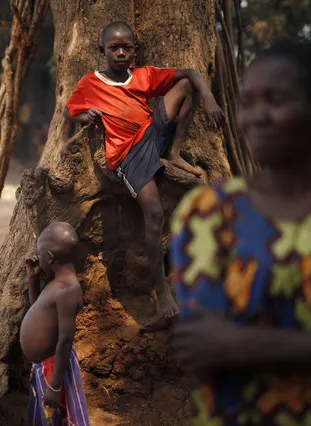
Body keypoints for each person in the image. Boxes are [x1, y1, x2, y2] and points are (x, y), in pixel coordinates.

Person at [168, 39, 311, 424]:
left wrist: (245, 346)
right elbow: (203, 343)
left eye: (276, 100)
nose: (257, 116)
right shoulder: (207, 212)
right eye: (249, 101)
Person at [64, 21, 224, 331]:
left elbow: (190, 74)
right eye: (114, 48)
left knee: (186, 86)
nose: (121, 53)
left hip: (152, 135)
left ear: (135, 51)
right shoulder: (91, 83)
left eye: (127, 47)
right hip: (127, 155)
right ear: (103, 51)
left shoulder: (143, 76)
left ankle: (175, 152)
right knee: (154, 214)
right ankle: (161, 292)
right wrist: (88, 115)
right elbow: (71, 111)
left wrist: (209, 99)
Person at [20, 222, 90, 426]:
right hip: (44, 369)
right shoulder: (56, 283)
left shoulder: (67, 290)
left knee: (58, 418)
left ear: (49, 257)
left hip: (53, 371)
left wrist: (56, 386)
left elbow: (66, 339)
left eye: (40, 255)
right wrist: (32, 281)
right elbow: (37, 312)